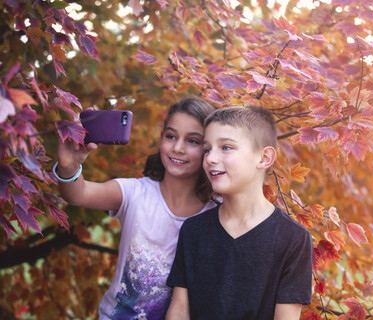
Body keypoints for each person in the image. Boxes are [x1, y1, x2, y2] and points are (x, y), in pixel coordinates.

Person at [54, 97, 218, 319]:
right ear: (161, 138)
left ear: (209, 149)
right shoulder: (135, 193)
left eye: (193, 141)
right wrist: (69, 166)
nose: (178, 148)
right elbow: (78, 193)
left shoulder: (217, 213)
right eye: (171, 136)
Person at [166, 106, 313, 320]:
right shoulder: (193, 231)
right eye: (207, 149)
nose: (210, 158)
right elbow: (179, 312)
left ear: (264, 158)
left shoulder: (293, 239)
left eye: (226, 147)